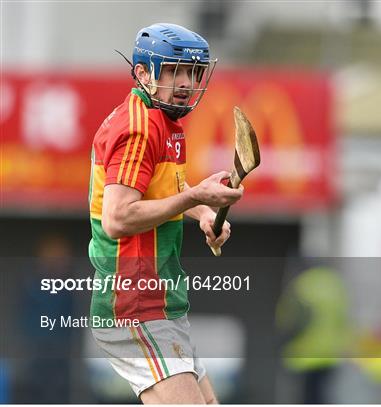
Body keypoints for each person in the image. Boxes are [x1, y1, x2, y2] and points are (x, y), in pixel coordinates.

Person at [88, 23, 243, 404]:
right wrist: (195, 199)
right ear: (143, 73)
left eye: (193, 72)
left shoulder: (163, 120)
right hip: (134, 305)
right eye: (174, 70)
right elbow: (118, 217)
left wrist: (204, 209)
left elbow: (165, 188)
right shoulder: (140, 128)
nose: (187, 82)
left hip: (161, 303)